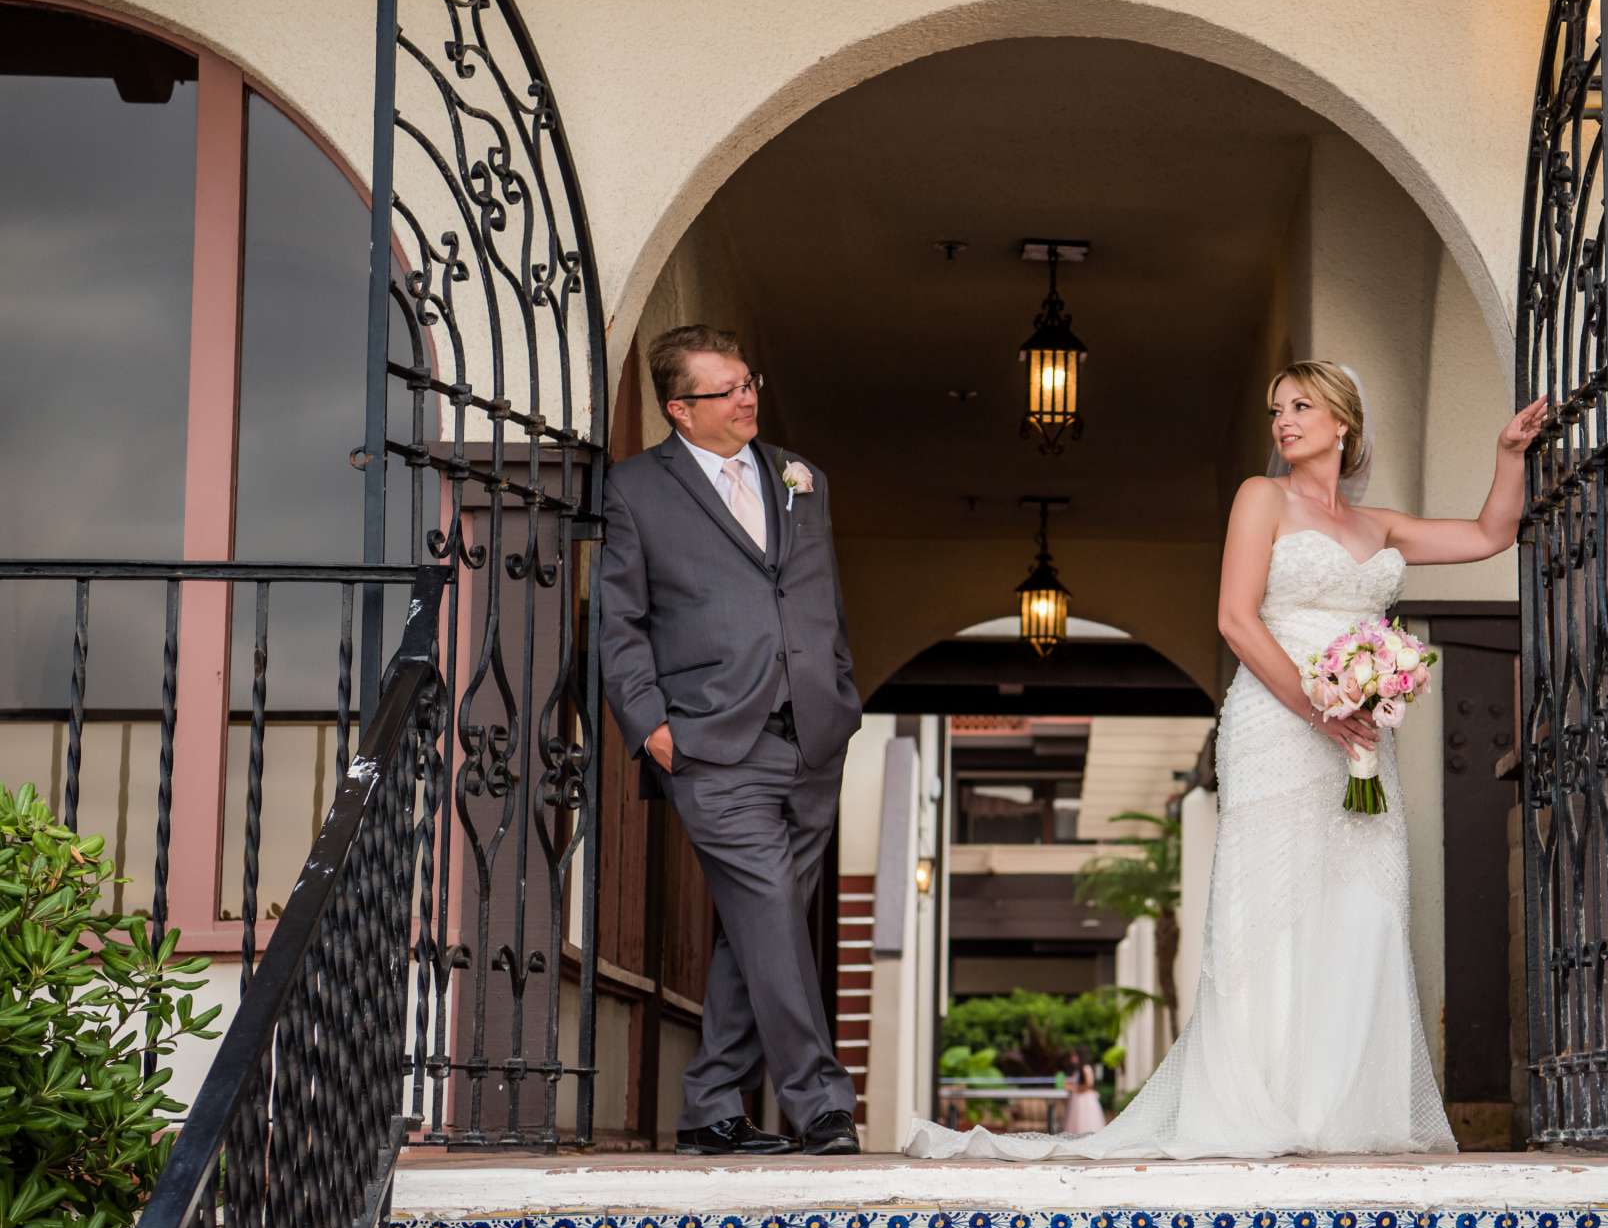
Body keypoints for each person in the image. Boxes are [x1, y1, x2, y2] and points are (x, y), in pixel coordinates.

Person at [905, 360, 1548, 1159]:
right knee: (1270, 905)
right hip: (1282, 725)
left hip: (1358, 738)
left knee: (1362, 905)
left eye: (1302, 407)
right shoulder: (1260, 497)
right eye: (1277, 409)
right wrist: (1319, 711)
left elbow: (1490, 534)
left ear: (1342, 423)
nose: (1284, 421)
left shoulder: (1379, 525)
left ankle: (1345, 1110)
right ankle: (1259, 1106)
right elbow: (1237, 621)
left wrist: (1509, 453)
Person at [597, 324, 863, 1158]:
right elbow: (619, 621)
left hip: (812, 736)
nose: (748, 398)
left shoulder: (801, 478)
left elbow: (819, 597)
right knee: (771, 913)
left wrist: (842, 695)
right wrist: (651, 726)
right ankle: (818, 1100)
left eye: (750, 381)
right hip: (712, 741)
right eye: (726, 390)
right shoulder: (637, 489)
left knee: (761, 921)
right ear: (679, 408)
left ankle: (711, 1102)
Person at [1060, 1047, 1104, 1137]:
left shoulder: (1086, 1068)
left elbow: (1089, 1084)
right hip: (1079, 1099)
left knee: (1085, 1120)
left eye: (1074, 1055)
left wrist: (1075, 1089)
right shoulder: (1079, 1069)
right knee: (1078, 1121)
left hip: (1085, 1099)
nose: (1072, 1058)